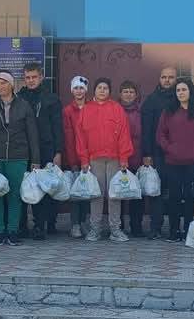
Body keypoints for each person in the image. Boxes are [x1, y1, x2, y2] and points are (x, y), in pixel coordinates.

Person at [0, 71, 40, 246]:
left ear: (12, 85)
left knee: (15, 195)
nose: (0, 87)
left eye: (4, 83)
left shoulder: (24, 105)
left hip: (18, 156)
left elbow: (32, 134)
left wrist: (35, 160)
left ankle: (13, 231)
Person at [76, 77, 134, 242]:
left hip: (115, 159)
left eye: (105, 88)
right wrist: (84, 159)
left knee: (115, 195)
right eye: (99, 87)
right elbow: (80, 137)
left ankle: (115, 229)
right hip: (94, 160)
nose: (102, 90)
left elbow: (124, 134)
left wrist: (124, 157)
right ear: (94, 90)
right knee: (96, 195)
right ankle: (95, 229)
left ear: (109, 91)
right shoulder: (86, 109)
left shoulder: (116, 109)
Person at [156, 78, 194, 242]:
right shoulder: (168, 112)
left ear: (190, 92)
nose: (181, 93)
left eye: (184, 90)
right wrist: (169, 148)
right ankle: (173, 230)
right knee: (174, 196)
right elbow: (160, 135)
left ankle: (188, 229)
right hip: (172, 162)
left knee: (189, 196)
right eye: (178, 90)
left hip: (193, 162)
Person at [17, 62, 64, 240]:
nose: (31, 80)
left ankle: (41, 225)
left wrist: (58, 152)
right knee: (23, 186)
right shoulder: (19, 98)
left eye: (34, 77)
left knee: (44, 188)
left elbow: (58, 127)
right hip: (23, 150)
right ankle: (21, 225)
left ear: (41, 77)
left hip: (46, 149)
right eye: (27, 77)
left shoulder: (51, 98)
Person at [140, 66, 179, 239]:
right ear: (159, 79)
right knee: (156, 191)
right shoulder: (151, 101)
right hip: (157, 154)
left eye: (171, 77)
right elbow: (146, 130)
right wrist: (147, 154)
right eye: (164, 77)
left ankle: (174, 228)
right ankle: (155, 227)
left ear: (176, 79)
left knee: (175, 191)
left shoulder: (181, 98)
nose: (167, 80)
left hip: (178, 154)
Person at [62, 75, 91, 238]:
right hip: (74, 157)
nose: (79, 91)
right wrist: (72, 160)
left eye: (81, 88)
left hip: (90, 157)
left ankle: (85, 222)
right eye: (76, 88)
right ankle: (75, 224)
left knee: (88, 192)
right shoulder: (67, 111)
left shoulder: (92, 108)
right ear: (72, 91)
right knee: (75, 193)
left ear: (86, 91)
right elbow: (68, 137)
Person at [119, 80, 146, 237]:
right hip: (120, 157)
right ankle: (119, 225)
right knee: (119, 192)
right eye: (125, 91)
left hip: (138, 155)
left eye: (131, 92)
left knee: (137, 193)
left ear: (136, 95)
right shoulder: (115, 110)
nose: (128, 94)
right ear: (120, 94)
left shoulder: (142, 112)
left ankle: (136, 225)